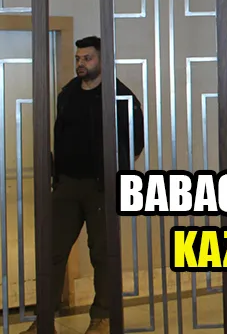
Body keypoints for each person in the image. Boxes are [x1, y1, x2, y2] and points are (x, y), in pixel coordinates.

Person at [22, 36, 144, 334]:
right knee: (52, 251)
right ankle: (44, 321)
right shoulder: (67, 94)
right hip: (66, 186)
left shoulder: (120, 97)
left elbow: (135, 143)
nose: (81, 63)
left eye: (87, 58)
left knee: (102, 254)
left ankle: (102, 318)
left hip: (101, 188)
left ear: (102, 60)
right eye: (78, 58)